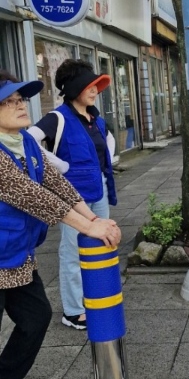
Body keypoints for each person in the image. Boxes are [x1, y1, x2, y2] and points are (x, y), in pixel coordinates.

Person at [0, 71, 120, 379]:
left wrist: (94, 217)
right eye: (8, 102)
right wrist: (88, 227)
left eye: (21, 100)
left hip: (14, 254)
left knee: (36, 317)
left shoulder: (25, 142)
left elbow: (58, 185)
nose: (20, 106)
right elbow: (31, 196)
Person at [32, 60, 117, 331]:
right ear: (73, 88)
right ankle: (73, 310)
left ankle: (99, 297)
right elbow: (28, 141)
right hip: (71, 196)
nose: (95, 90)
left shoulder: (97, 119)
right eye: (89, 85)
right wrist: (57, 168)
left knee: (103, 242)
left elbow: (108, 147)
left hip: (98, 191)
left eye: (96, 85)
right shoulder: (56, 118)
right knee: (72, 252)